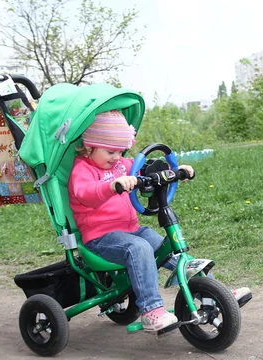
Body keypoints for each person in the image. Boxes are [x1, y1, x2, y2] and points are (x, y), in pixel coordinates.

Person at [68, 110, 251, 332]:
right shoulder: (83, 170)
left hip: (130, 230)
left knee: (169, 249)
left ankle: (212, 289)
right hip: (100, 238)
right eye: (110, 151)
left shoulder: (120, 165)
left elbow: (147, 170)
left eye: (120, 151)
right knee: (139, 248)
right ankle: (151, 311)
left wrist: (175, 171)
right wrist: (112, 185)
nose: (116, 157)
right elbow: (86, 193)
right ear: (90, 147)